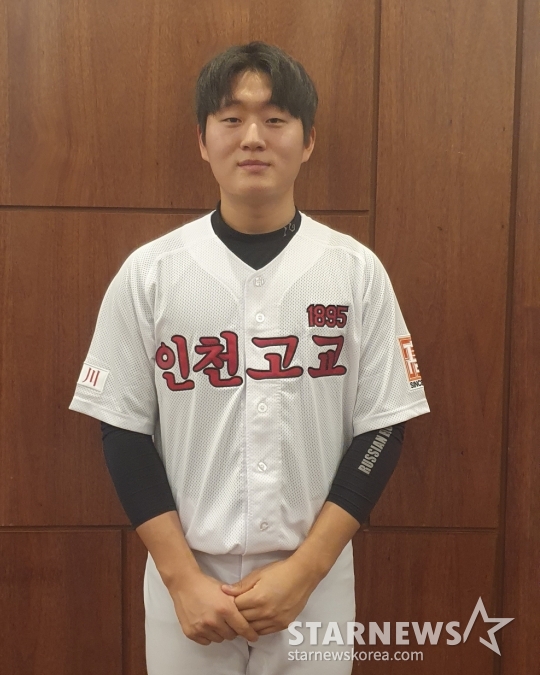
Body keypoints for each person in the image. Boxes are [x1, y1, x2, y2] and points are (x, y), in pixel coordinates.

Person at [69, 41, 430, 675]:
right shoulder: (151, 273)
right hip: (189, 580)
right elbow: (122, 430)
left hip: (313, 579)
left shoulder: (355, 272)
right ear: (202, 140)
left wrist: (306, 571)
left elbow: (383, 427)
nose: (253, 138)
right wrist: (182, 579)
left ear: (308, 140)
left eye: (276, 119)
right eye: (232, 119)